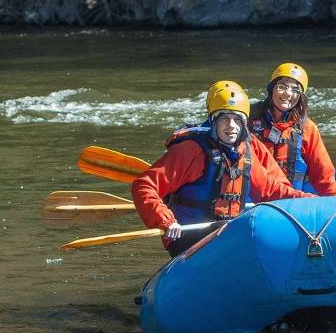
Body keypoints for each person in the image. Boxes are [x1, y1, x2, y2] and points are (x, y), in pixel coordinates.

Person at [132, 82, 315, 257]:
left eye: (237, 120)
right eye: (225, 119)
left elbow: (272, 192)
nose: (231, 126)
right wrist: (165, 220)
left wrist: (314, 202)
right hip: (189, 238)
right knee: (238, 234)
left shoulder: (246, 151)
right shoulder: (191, 150)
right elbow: (144, 185)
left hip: (227, 233)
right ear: (213, 121)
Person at [248, 63, 336, 195]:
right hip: (250, 202)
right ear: (271, 89)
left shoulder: (307, 128)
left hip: (289, 203)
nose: (288, 94)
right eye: (282, 87)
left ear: (300, 97)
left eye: (295, 90)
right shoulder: (247, 119)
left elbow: (323, 175)